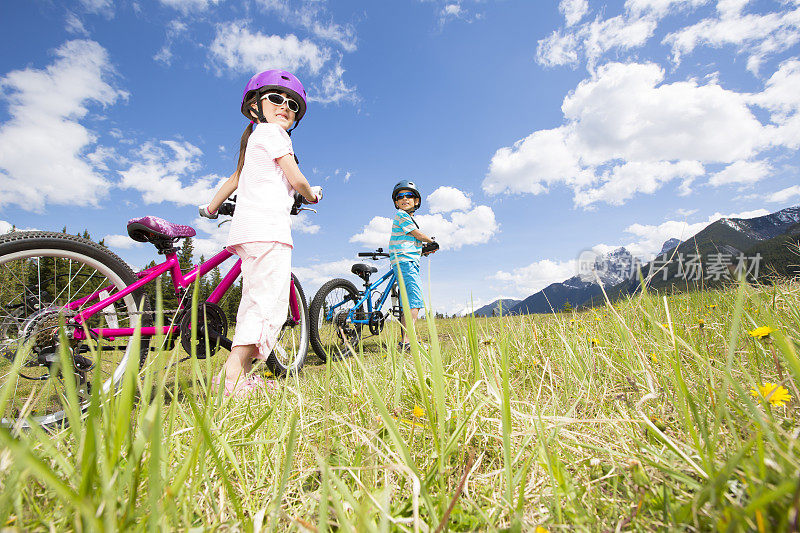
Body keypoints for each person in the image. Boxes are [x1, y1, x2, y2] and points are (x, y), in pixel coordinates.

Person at [199, 69, 322, 397]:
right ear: (256, 105)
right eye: (277, 99)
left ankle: (236, 374)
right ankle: (234, 375)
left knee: (256, 298)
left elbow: (234, 179)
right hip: (270, 231)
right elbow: (295, 178)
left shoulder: (255, 138)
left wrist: (211, 208)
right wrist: (311, 195)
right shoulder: (275, 136)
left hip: (249, 231)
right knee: (268, 303)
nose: (285, 106)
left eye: (292, 104)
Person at [387, 180, 438, 350]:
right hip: (406, 263)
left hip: (405, 260)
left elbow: (411, 242)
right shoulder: (402, 216)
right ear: (396, 202)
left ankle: (406, 340)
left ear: (416, 201)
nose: (404, 198)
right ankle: (408, 342)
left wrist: (423, 250)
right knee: (414, 300)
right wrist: (430, 240)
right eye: (400, 196)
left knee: (407, 303)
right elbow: (416, 234)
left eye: (409, 195)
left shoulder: (407, 219)